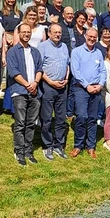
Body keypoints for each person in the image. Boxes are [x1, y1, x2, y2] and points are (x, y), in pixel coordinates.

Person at [6, 22, 43, 166]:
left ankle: (28, 151)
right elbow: (13, 72)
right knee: (20, 123)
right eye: (24, 32)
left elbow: (40, 69)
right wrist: (28, 84)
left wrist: (35, 83)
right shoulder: (13, 52)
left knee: (31, 123)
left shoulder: (35, 52)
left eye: (28, 32)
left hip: (34, 92)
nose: (26, 34)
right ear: (19, 34)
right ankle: (19, 152)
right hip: (20, 91)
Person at [69, 28, 106, 158]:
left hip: (96, 90)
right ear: (85, 36)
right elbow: (75, 71)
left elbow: (103, 71)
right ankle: (78, 145)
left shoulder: (99, 53)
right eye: (90, 36)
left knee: (92, 118)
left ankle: (91, 146)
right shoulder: (77, 52)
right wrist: (87, 86)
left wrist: (100, 85)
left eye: (94, 37)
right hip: (81, 89)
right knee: (81, 116)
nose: (92, 39)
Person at [38, 23, 70, 161]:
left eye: (59, 32)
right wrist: (50, 82)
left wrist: (66, 78)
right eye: (55, 32)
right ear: (49, 33)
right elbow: (39, 68)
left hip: (62, 87)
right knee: (46, 118)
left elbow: (67, 65)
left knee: (61, 118)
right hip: (48, 86)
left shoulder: (64, 47)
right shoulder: (42, 47)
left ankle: (59, 145)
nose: (58, 34)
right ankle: (47, 145)